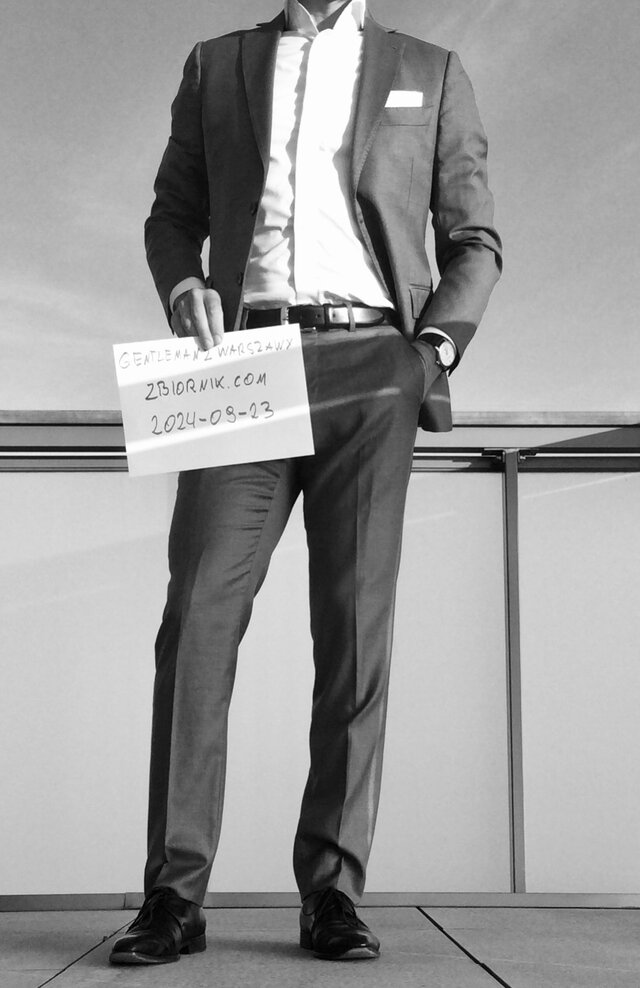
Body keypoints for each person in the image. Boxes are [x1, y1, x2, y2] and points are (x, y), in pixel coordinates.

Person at [109, 0, 501, 966]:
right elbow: (172, 216)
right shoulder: (217, 64)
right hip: (242, 357)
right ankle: (173, 896)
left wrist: (429, 351)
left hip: (374, 360)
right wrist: (183, 285)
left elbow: (474, 239)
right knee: (196, 618)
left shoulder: (430, 68)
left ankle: (332, 892)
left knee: (355, 629)